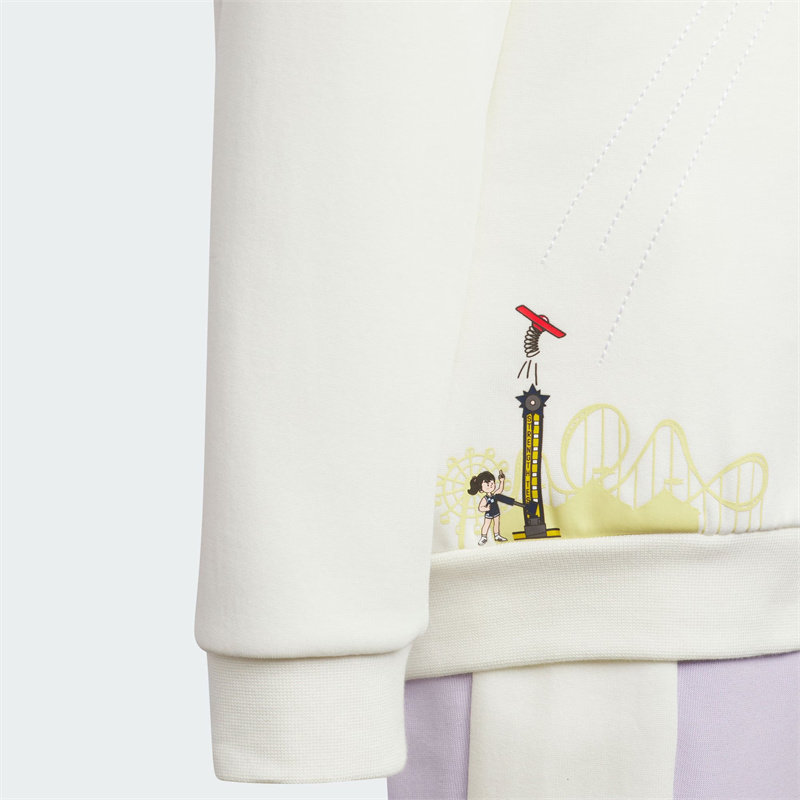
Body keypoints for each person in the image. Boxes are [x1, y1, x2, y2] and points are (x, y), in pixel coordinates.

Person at [468, 469, 509, 545]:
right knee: (486, 524)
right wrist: (486, 508)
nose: (491, 485)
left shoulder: (494, 494)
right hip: (489, 513)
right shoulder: (485, 499)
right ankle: (484, 537)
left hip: (496, 511)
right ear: (481, 489)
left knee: (497, 523)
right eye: (487, 485)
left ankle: (497, 535)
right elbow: (480, 507)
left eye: (492, 483)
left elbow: (500, 490)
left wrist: (502, 481)